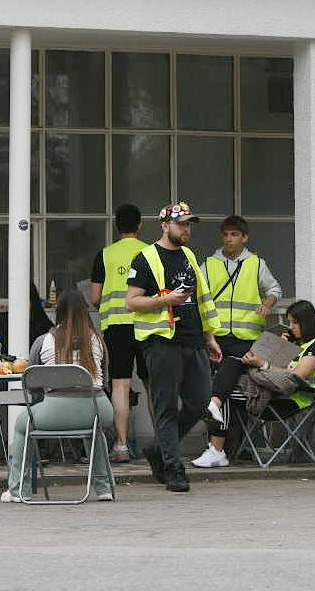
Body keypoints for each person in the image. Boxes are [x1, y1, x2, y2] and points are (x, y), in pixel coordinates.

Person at [124, 200, 223, 493]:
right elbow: (132, 301)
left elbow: (202, 299)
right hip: (162, 343)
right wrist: (164, 301)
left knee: (199, 401)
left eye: (189, 224)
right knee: (166, 408)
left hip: (194, 341)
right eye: (181, 224)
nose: (186, 229)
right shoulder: (146, 258)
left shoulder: (189, 256)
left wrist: (209, 336)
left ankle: (158, 449)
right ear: (165, 226)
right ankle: (174, 468)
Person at [0, 291, 116, 502]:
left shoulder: (43, 341)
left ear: (57, 312)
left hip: (55, 410)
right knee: (95, 430)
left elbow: (32, 383)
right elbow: (105, 381)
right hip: (97, 408)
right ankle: (104, 487)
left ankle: (18, 490)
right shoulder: (98, 340)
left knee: (21, 425)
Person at [194, 214, 283, 468]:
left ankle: (216, 446)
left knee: (224, 381)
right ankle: (216, 445)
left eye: (234, 234)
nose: (228, 239)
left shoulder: (256, 264)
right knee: (223, 389)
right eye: (225, 234)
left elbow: (275, 289)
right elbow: (198, 296)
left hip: (246, 339)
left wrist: (267, 304)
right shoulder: (209, 264)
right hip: (217, 337)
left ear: (244, 238)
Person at [90, 202, 147, 462]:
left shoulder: (105, 254)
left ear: (116, 226)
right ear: (140, 226)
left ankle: (121, 446)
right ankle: (164, 444)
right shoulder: (152, 252)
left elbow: (95, 297)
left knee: (120, 385)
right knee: (155, 385)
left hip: (116, 328)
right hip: (148, 327)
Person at [0, 282, 53, 354]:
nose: (19, 305)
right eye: (16, 300)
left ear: (32, 302)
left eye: (23, 300)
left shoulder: (43, 325)